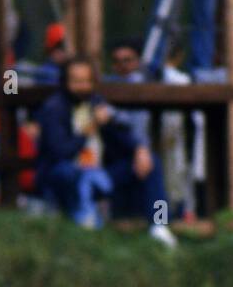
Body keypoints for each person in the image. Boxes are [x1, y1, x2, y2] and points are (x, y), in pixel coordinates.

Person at [36, 57, 162, 230]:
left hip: (99, 175)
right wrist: (91, 126)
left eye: (87, 81)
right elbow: (60, 153)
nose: (82, 87)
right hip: (64, 177)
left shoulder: (97, 102)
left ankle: (160, 224)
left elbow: (122, 132)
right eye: (77, 81)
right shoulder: (53, 108)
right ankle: (86, 223)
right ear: (65, 82)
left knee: (151, 161)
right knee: (72, 174)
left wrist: (139, 147)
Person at [106, 38, 177, 246]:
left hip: (137, 165)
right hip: (105, 171)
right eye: (117, 62)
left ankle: (161, 225)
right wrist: (140, 147)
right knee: (150, 162)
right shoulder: (104, 92)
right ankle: (159, 224)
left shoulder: (145, 87)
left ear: (138, 62)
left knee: (152, 165)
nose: (123, 66)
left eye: (128, 60)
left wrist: (140, 148)